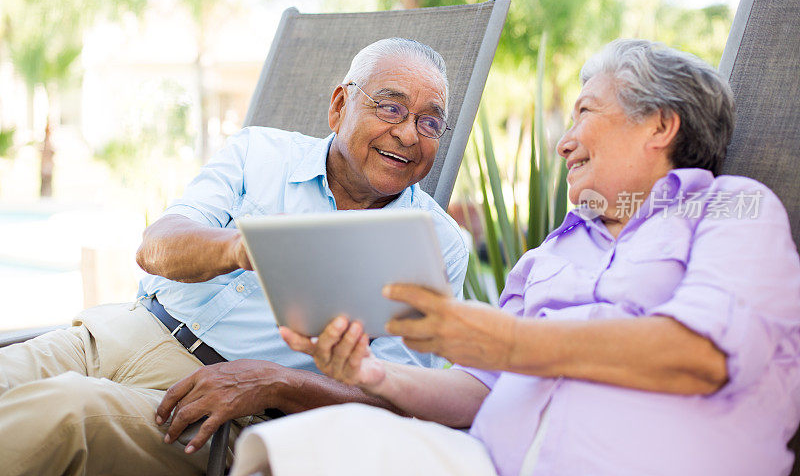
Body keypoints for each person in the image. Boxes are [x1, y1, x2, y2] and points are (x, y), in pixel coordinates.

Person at [232, 39, 800, 476]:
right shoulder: (548, 255)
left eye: (584, 112)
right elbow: (476, 392)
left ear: (660, 125)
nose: (564, 141)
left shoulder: (732, 209)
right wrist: (372, 374)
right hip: (483, 462)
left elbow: (701, 354)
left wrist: (509, 342)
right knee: (299, 452)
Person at [0, 38, 469, 476]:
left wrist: (274, 383)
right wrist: (248, 248)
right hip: (114, 334)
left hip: (215, 406)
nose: (408, 134)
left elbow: (398, 401)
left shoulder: (435, 243)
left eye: (429, 121)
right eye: (390, 107)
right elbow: (156, 247)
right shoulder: (259, 152)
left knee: (65, 410)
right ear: (340, 105)